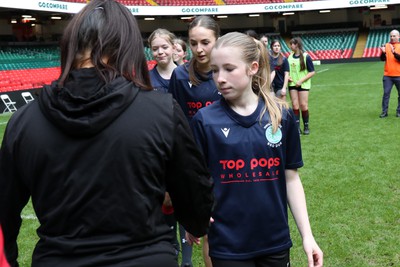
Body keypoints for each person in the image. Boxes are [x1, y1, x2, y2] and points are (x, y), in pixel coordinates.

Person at [0, 1, 214, 266]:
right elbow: (197, 208)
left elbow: (4, 218)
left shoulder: (24, 122)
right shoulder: (161, 112)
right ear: (128, 47)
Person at [188, 32, 323, 267]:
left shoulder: (281, 116)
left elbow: (291, 179)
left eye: (229, 69)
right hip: (228, 246)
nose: (220, 78)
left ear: (252, 67)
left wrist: (307, 236)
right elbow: (195, 178)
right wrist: (194, 214)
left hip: (275, 241)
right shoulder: (204, 120)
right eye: (215, 70)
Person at [168, 15, 221, 267]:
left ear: (217, 40)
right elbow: (175, 120)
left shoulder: (227, 72)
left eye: (205, 42)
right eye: (193, 43)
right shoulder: (179, 76)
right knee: (207, 228)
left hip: (226, 157)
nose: (199, 49)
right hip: (195, 163)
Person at [288, 37, 315, 135]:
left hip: (303, 84)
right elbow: (287, 70)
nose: (291, 46)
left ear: (297, 45)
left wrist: (301, 80)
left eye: (292, 44)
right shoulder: (290, 57)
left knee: (303, 105)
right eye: (290, 44)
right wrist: (288, 77)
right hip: (292, 84)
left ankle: (306, 126)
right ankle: (297, 128)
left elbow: (312, 72)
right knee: (295, 105)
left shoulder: (306, 56)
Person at [148, 28, 177, 93]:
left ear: (174, 48)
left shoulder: (185, 75)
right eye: (155, 49)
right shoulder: (147, 78)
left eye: (165, 47)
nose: (160, 52)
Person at [379, 29, 400, 118]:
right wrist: (383, 53)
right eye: (391, 36)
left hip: (399, 75)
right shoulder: (386, 45)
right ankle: (384, 112)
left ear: (398, 36)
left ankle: (399, 112)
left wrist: (394, 52)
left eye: (394, 36)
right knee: (386, 94)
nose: (392, 37)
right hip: (388, 76)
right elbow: (382, 59)